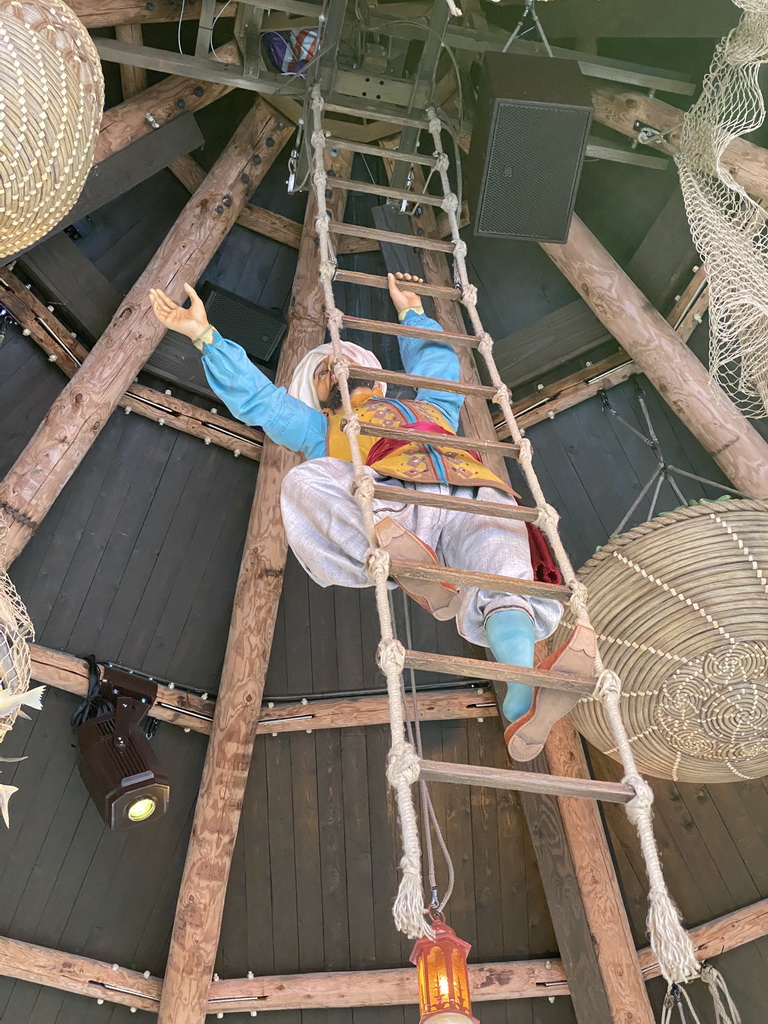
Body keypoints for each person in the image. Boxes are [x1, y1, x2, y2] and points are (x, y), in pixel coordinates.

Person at [149, 273, 596, 761]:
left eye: (352, 363)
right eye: (326, 372)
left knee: (505, 584)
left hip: (473, 498)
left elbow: (440, 367)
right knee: (302, 481)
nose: (340, 367)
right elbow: (261, 401)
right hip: (393, 510)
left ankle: (521, 698)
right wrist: (205, 336)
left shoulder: (429, 407)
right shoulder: (320, 428)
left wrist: (413, 313)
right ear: (319, 396)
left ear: (377, 378)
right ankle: (401, 559)